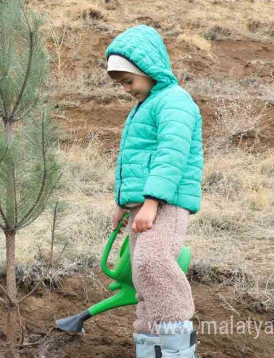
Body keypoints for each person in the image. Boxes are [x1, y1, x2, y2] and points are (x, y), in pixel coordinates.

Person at [106, 25, 203, 358]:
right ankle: (151, 348)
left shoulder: (174, 101)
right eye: (122, 84)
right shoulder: (146, 105)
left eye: (129, 81)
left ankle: (177, 345)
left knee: (153, 263)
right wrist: (123, 202)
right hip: (144, 205)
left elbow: (170, 155)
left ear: (147, 70)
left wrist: (150, 203)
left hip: (166, 203)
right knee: (142, 277)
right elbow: (135, 160)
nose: (127, 89)